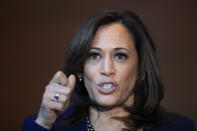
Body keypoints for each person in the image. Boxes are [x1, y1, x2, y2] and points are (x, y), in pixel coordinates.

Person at [22, 10, 196, 131]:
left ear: (142, 69)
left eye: (120, 56)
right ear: (80, 71)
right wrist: (45, 122)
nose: (106, 69)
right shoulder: (47, 126)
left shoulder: (181, 128)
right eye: (94, 56)